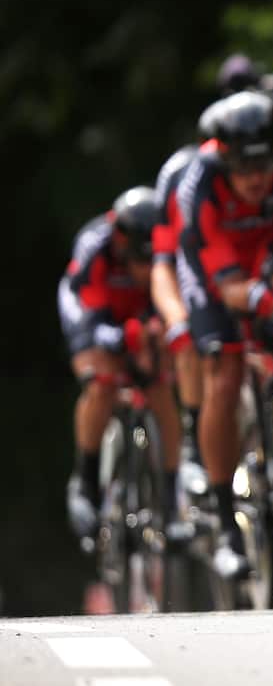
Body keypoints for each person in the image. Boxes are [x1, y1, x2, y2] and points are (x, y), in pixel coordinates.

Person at [176, 90, 273, 577]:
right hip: (213, 269)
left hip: (267, 251)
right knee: (226, 370)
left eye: (265, 167)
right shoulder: (199, 183)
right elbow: (222, 276)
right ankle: (224, 518)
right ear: (223, 158)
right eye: (245, 168)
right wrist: (257, 300)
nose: (257, 179)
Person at [60, 187, 181, 542]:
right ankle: (86, 478)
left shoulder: (163, 243)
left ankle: (172, 499)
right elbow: (90, 315)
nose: (143, 268)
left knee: (160, 391)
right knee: (101, 383)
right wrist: (121, 340)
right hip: (91, 311)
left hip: (137, 315)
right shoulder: (94, 245)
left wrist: (153, 334)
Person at [151, 100, 226, 473]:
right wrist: (177, 318)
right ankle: (196, 436)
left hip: (244, 265)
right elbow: (167, 258)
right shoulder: (182, 175)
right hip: (193, 266)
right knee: (190, 338)